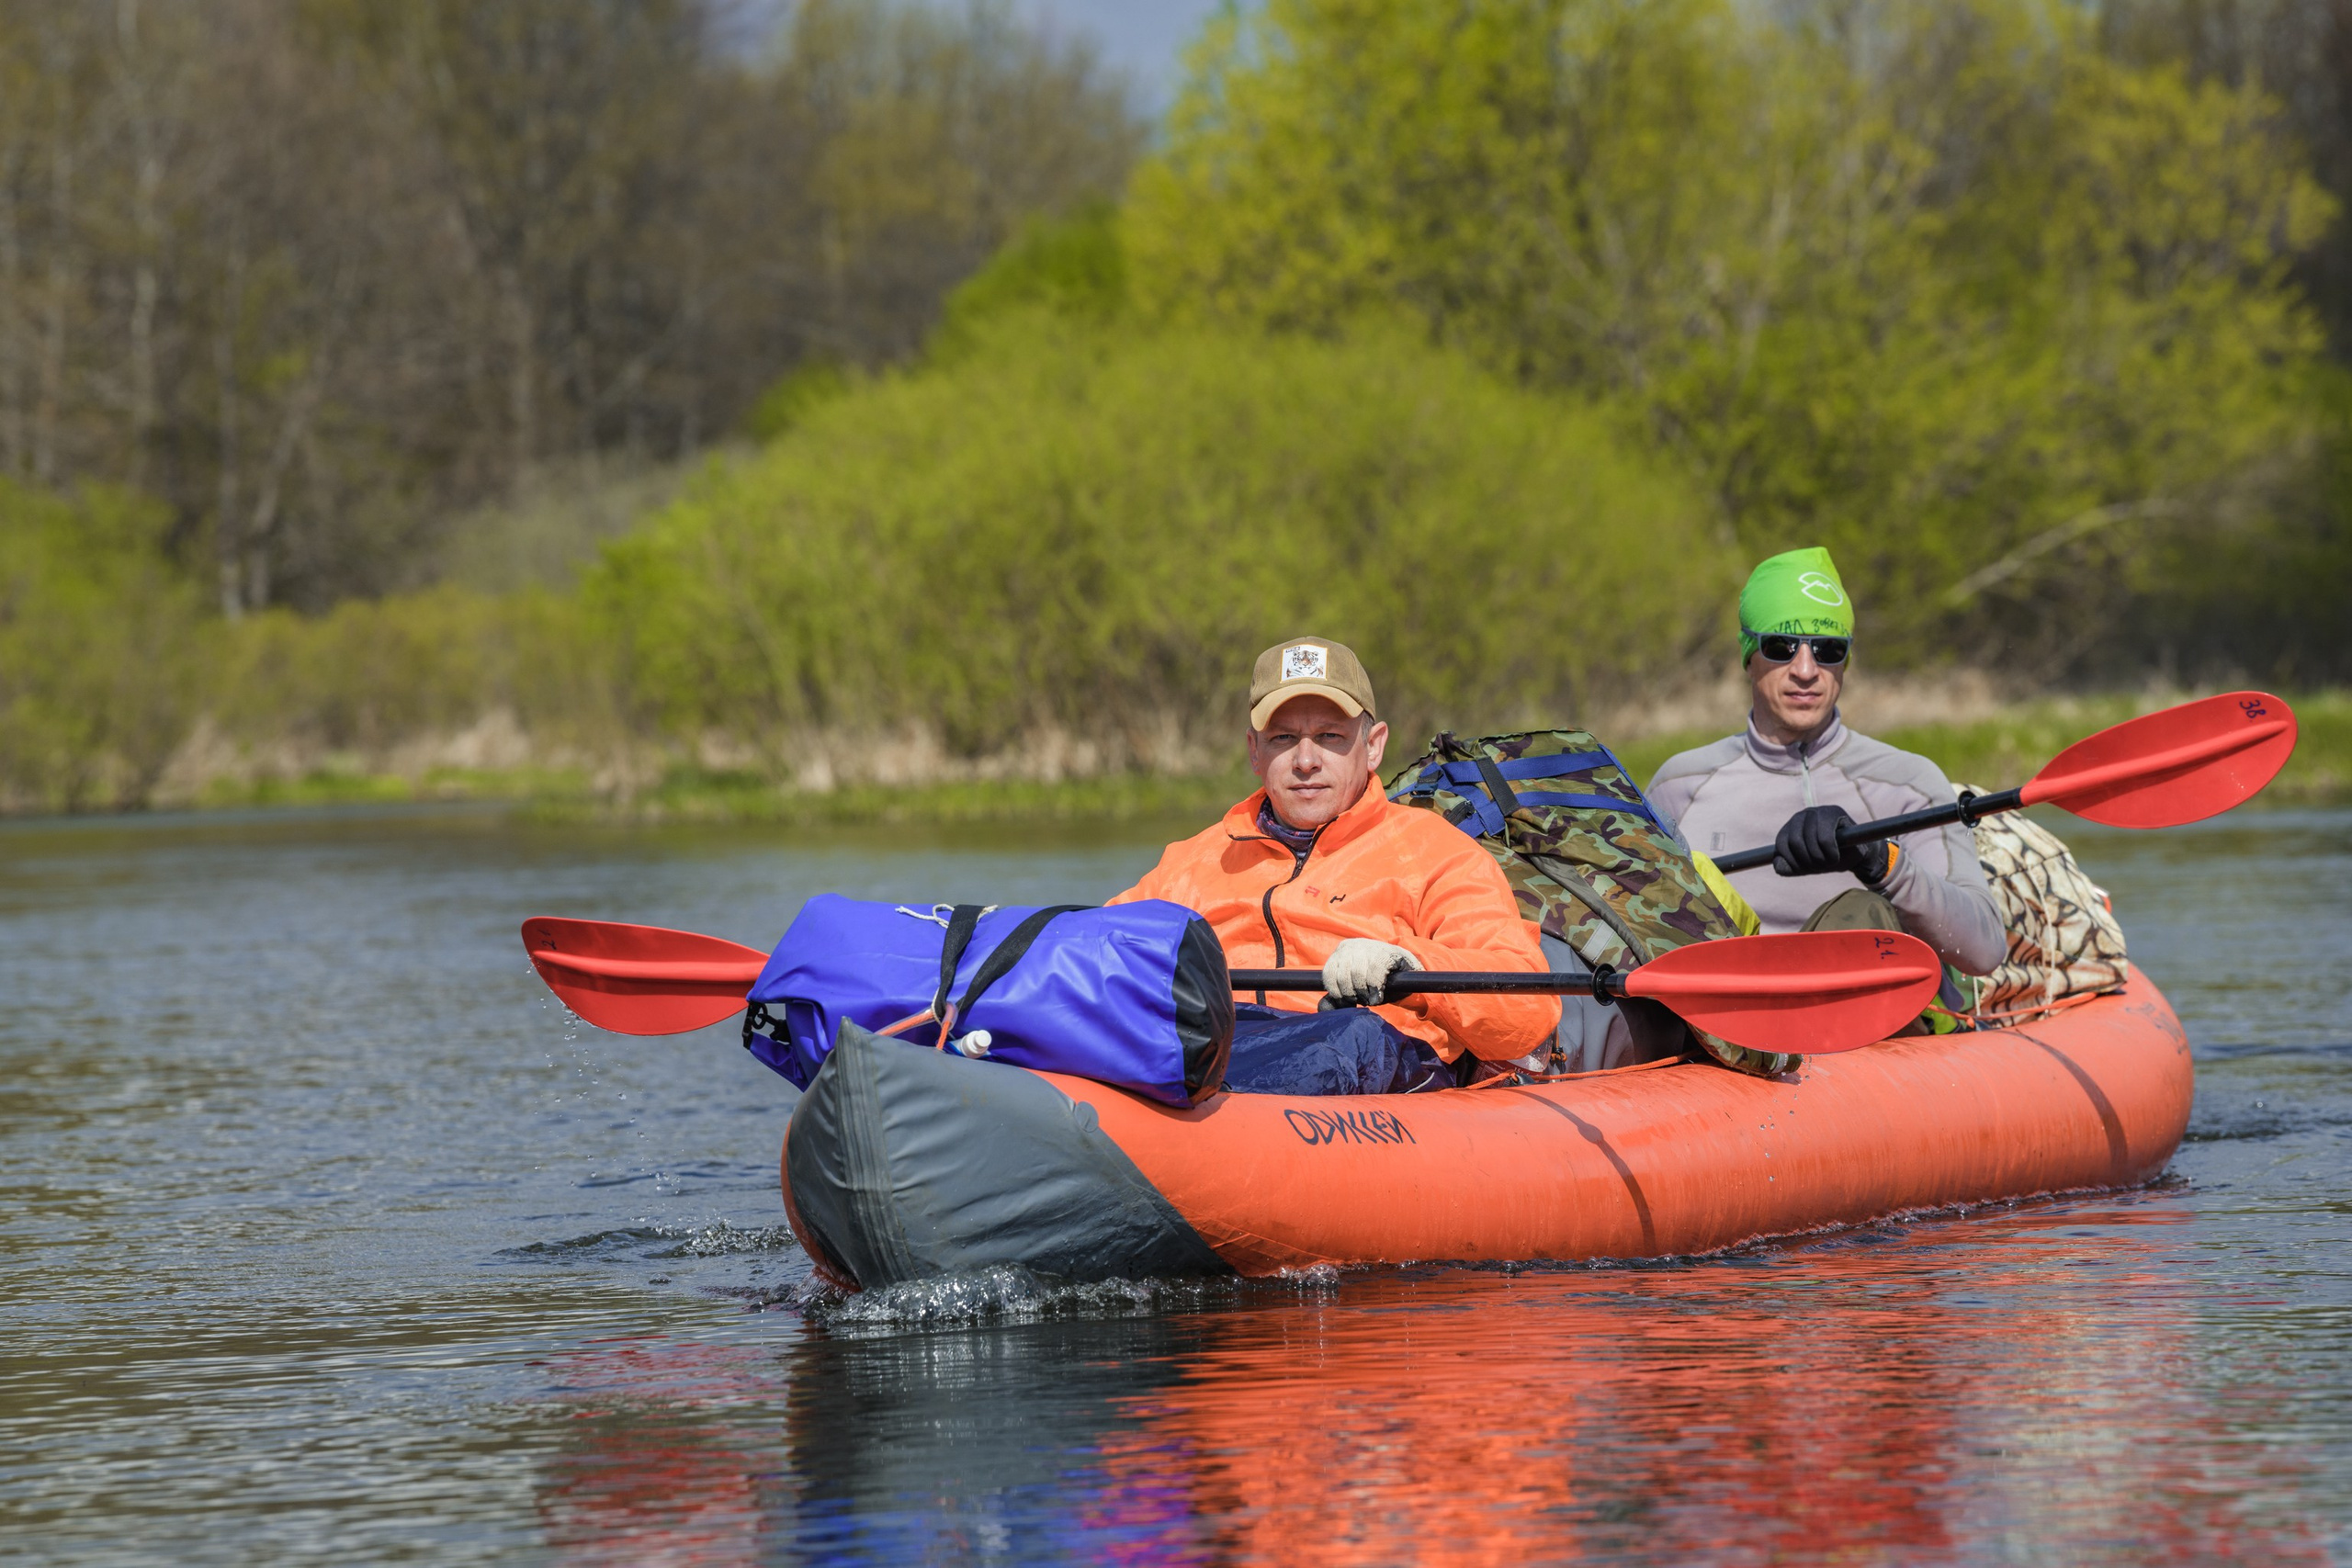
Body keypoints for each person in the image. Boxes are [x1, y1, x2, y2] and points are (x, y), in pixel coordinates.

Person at [1111, 637, 1558, 1094]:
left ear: (1373, 746)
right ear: (1254, 751)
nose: (1306, 761)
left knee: (1353, 1037)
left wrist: (1411, 965)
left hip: (1372, 1073)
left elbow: (1529, 1011)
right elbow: (1097, 955)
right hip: (1223, 1052)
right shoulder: (1189, 863)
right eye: (1283, 738)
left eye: (1330, 737)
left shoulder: (1440, 854)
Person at [1646, 547, 2006, 988]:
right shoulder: (1680, 785)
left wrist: (1879, 861)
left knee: (1861, 911)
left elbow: (1985, 949)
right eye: (1780, 647)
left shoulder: (1908, 781)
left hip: (1871, 1023)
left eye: (1828, 649)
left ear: (1845, 662)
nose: (1805, 669)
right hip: (1726, 1015)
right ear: (1748, 656)